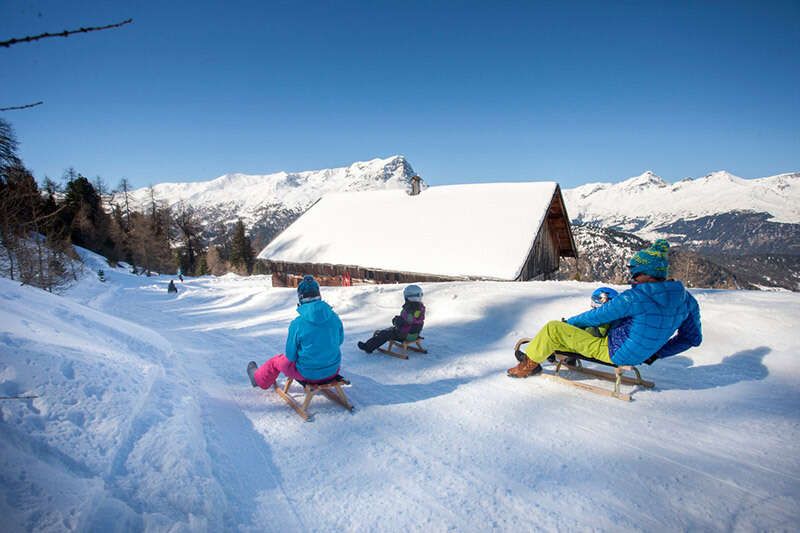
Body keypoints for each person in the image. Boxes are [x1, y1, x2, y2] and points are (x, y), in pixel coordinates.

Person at [508, 239, 702, 378]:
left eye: (636, 274)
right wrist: (656, 352)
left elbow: (596, 316)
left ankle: (528, 366)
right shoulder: (687, 300)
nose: (632, 279)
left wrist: (567, 324)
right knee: (606, 323)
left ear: (650, 275)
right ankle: (564, 352)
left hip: (616, 351)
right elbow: (692, 338)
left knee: (553, 329)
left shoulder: (635, 297)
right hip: (642, 354)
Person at [247, 275, 344, 389]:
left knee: (276, 361)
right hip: (333, 370)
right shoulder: (334, 317)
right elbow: (340, 341)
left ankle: (257, 379)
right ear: (319, 295)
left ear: (300, 298)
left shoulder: (298, 323)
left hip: (308, 374)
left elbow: (291, 355)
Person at [357, 285, 425, 353]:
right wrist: (400, 319)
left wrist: (396, 320)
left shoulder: (410, 309)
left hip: (405, 335)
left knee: (384, 334)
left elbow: (407, 321)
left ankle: (368, 347)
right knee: (390, 330)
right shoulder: (420, 308)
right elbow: (413, 320)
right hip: (414, 334)